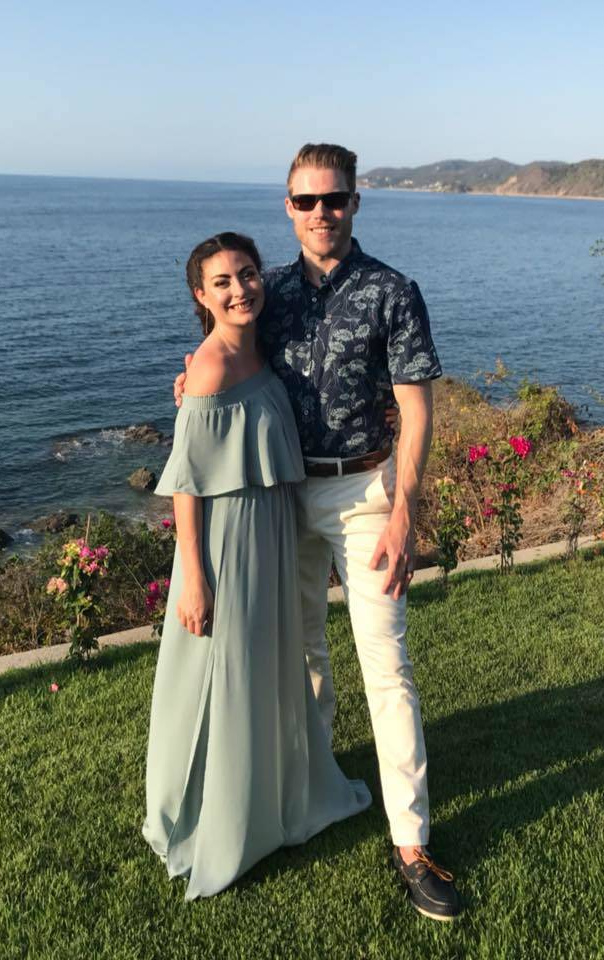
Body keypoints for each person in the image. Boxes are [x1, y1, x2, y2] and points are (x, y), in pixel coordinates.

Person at [174, 144, 461, 921]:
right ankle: (309, 790)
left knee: (386, 666)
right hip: (282, 495)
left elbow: (418, 409)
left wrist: (405, 511)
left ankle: (411, 843)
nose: (321, 212)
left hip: (366, 494)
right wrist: (191, 382)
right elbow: (228, 355)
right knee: (298, 656)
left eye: (334, 198)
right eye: (306, 201)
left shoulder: (392, 292)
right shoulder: (268, 293)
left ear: (355, 202)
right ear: (289, 207)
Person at [143, 231, 371, 901]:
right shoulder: (211, 369)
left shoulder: (261, 347)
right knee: (224, 673)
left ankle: (272, 791)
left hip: (271, 529)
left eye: (247, 274)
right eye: (222, 281)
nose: (240, 289)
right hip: (225, 543)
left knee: (268, 666)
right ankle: (219, 815)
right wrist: (194, 576)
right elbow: (186, 484)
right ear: (200, 295)